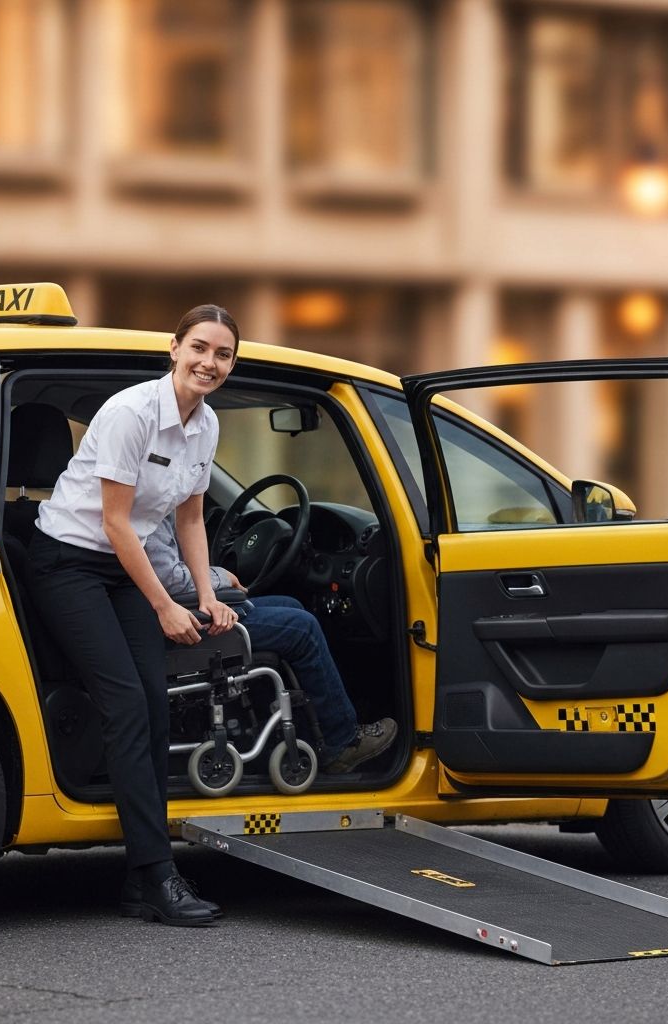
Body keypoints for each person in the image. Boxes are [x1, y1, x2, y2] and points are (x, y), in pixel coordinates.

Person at [28, 304, 244, 928]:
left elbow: (192, 519)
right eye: (199, 348)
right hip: (69, 561)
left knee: (152, 700)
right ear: (173, 348)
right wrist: (165, 605)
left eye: (223, 354)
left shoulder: (206, 426)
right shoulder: (130, 412)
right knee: (124, 703)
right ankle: (155, 874)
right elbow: (116, 523)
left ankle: (142, 878)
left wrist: (205, 597)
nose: (209, 362)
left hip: (124, 568)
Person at [145, 512, 397, 774]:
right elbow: (170, 579)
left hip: (184, 610)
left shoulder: (158, 503)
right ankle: (341, 742)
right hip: (182, 624)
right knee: (303, 628)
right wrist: (222, 577)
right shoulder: (147, 508)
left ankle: (306, 731)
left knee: (291, 606)